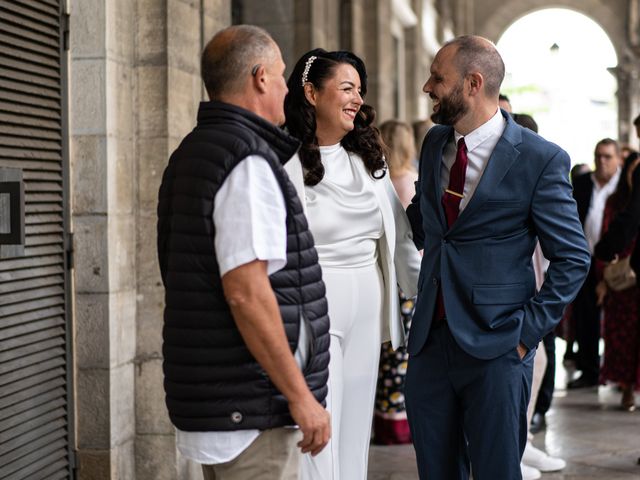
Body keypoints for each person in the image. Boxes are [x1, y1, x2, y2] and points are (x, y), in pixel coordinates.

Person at [405, 35, 590, 480]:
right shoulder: (434, 145)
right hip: (430, 342)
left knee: (496, 472)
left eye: (437, 78)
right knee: (436, 471)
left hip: (499, 345)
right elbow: (425, 225)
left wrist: (525, 335)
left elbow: (572, 258)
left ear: (473, 83)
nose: (428, 87)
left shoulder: (541, 159)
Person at [156, 25, 331, 480]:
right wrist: (299, 396)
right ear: (259, 78)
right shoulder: (246, 160)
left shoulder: (192, 153)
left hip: (221, 403)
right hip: (252, 410)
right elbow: (246, 292)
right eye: (280, 76)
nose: (286, 88)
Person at [283, 48, 421, 479]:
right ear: (310, 92)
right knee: (319, 423)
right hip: (313, 303)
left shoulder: (368, 158)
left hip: (368, 304)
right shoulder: (282, 159)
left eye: (360, 90)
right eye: (346, 88)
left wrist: (426, 295)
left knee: (356, 426)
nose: (357, 99)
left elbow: (401, 242)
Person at [373, 120, 420, 445]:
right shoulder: (410, 181)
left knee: (386, 351)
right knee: (402, 350)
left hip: (379, 274)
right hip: (407, 278)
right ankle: (397, 421)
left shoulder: (377, 179)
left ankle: (384, 419)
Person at [569, 139, 623, 389]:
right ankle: (588, 370)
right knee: (585, 317)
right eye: (598, 156)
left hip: (617, 262)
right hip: (585, 260)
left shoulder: (626, 185)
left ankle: (619, 374)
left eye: (608, 156)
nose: (602, 161)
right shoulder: (581, 183)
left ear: (618, 159)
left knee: (619, 318)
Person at [594, 152, 640, 411]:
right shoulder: (617, 201)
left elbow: (629, 221)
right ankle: (626, 389)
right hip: (621, 279)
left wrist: (603, 250)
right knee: (625, 336)